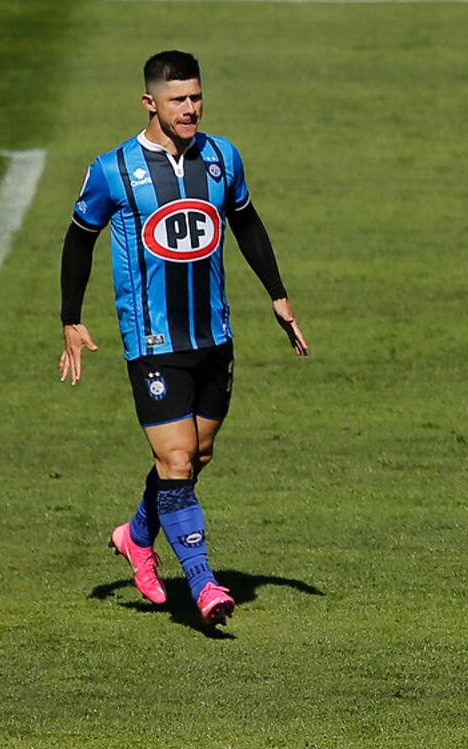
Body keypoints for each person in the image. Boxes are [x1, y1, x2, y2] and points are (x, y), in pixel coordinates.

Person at [57, 50, 307, 626]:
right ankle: (204, 583)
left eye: (196, 97)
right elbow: (78, 240)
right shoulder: (113, 169)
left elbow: (245, 219)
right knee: (173, 457)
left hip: (214, 335)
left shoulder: (222, 156)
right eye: (178, 100)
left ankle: (136, 536)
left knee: (197, 456)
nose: (190, 108)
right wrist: (71, 317)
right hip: (152, 341)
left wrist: (277, 293)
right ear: (150, 102)